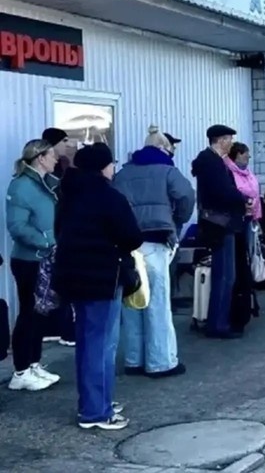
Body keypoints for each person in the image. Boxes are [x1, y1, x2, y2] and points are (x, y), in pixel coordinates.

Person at [53, 143, 143, 431]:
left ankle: (95, 401)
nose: (114, 167)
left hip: (73, 275)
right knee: (101, 344)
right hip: (103, 277)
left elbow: (59, 232)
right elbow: (132, 237)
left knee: (87, 342)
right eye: (111, 163)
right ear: (103, 167)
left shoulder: (67, 195)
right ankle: (96, 411)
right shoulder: (109, 196)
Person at [113, 126, 195, 379]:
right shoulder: (168, 170)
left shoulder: (123, 173)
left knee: (133, 302)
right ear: (163, 148)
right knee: (158, 304)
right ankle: (162, 362)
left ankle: (134, 360)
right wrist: (176, 223)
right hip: (157, 241)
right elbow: (187, 197)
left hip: (128, 243)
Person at [5, 139, 61, 391]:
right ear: (40, 158)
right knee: (28, 312)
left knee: (40, 313)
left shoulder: (46, 184)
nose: (57, 158)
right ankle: (20, 371)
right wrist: (46, 243)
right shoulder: (21, 186)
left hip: (44, 258)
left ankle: (34, 363)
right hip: (29, 260)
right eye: (52, 155)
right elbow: (17, 226)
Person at [191, 125, 249, 339]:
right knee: (225, 274)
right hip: (221, 224)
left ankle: (219, 320)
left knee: (225, 273)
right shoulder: (212, 163)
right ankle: (218, 323)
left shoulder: (211, 162)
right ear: (220, 140)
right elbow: (222, 192)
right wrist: (243, 199)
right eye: (229, 139)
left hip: (220, 222)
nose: (231, 143)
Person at [41, 128, 77, 346]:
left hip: (59, 232)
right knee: (51, 283)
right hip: (53, 234)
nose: (68, 144)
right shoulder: (50, 174)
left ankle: (59, 326)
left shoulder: (61, 166)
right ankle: (58, 328)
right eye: (64, 140)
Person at [225, 142, 262, 334]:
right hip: (238, 221)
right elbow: (239, 195)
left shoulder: (247, 172)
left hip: (249, 219)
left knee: (247, 259)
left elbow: (255, 193)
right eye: (246, 155)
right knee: (240, 264)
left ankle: (247, 302)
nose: (248, 159)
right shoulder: (229, 172)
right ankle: (239, 307)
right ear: (237, 155)